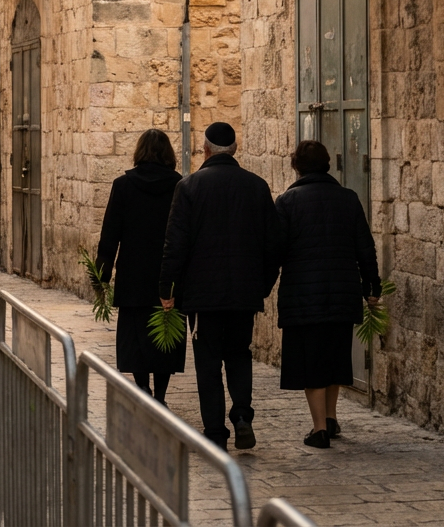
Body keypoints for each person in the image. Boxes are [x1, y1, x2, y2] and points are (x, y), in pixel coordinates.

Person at [158, 122, 281, 451]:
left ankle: (214, 431)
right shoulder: (257, 187)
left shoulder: (189, 187)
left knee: (208, 361)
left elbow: (175, 244)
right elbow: (273, 244)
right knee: (239, 354)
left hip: (203, 296)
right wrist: (262, 285)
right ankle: (241, 414)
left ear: (205, 150)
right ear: (235, 150)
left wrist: (168, 289)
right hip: (244, 292)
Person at [274, 140, 381, 448]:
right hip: (341, 292)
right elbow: (365, 247)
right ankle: (331, 418)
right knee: (334, 357)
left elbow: (275, 250)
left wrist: (263, 285)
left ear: (296, 166)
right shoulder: (348, 198)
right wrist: (371, 286)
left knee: (311, 362)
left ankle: (319, 428)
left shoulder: (287, 202)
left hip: (303, 295)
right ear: (327, 164)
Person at [95, 129, 185, 405]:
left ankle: (143, 387)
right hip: (168, 273)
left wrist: (101, 276)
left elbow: (110, 234)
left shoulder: (123, 185)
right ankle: (161, 395)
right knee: (165, 333)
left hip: (133, 273)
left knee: (136, 335)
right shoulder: (180, 185)